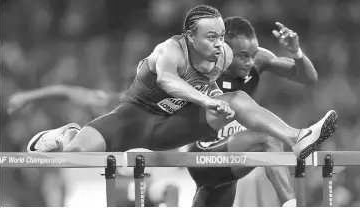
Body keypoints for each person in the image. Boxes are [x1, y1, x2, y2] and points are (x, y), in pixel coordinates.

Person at [27, 5, 337, 165]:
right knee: (73, 159)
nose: (219, 44)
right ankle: (68, 134)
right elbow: (168, 81)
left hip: (173, 127)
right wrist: (206, 101)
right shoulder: (170, 49)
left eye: (220, 36)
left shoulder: (225, 54)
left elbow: (217, 86)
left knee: (237, 99)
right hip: (133, 119)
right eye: (211, 37)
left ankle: (296, 137)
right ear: (190, 37)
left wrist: (217, 101)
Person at [187, 16, 316, 207]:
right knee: (269, 139)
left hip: (230, 157)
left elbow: (308, 78)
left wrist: (296, 52)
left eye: (253, 54)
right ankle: (291, 204)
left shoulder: (259, 60)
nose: (250, 62)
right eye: (243, 56)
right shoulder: (203, 65)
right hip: (202, 154)